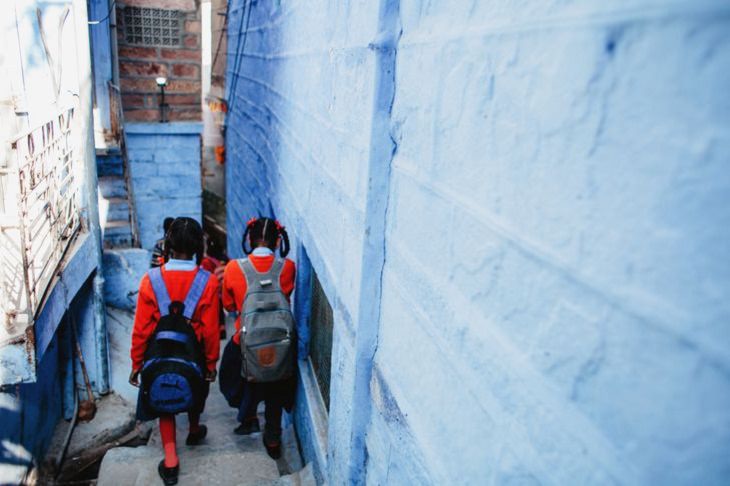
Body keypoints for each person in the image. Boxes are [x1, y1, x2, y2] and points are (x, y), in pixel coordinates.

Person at [130, 217, 220, 485]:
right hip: (194, 353)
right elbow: (212, 329)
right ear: (197, 248)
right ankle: (193, 429)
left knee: (163, 398)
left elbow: (141, 328)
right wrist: (211, 363)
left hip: (159, 353)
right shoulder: (207, 281)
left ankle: (170, 459)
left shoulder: (151, 279)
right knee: (195, 386)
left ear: (167, 245)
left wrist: (136, 362)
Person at [220, 217, 296, 459]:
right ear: (277, 241)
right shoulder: (288, 268)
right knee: (275, 382)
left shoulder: (234, 268)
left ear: (249, 239)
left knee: (236, 373)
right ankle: (272, 439)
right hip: (280, 344)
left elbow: (228, 304)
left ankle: (249, 416)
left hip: (246, 342)